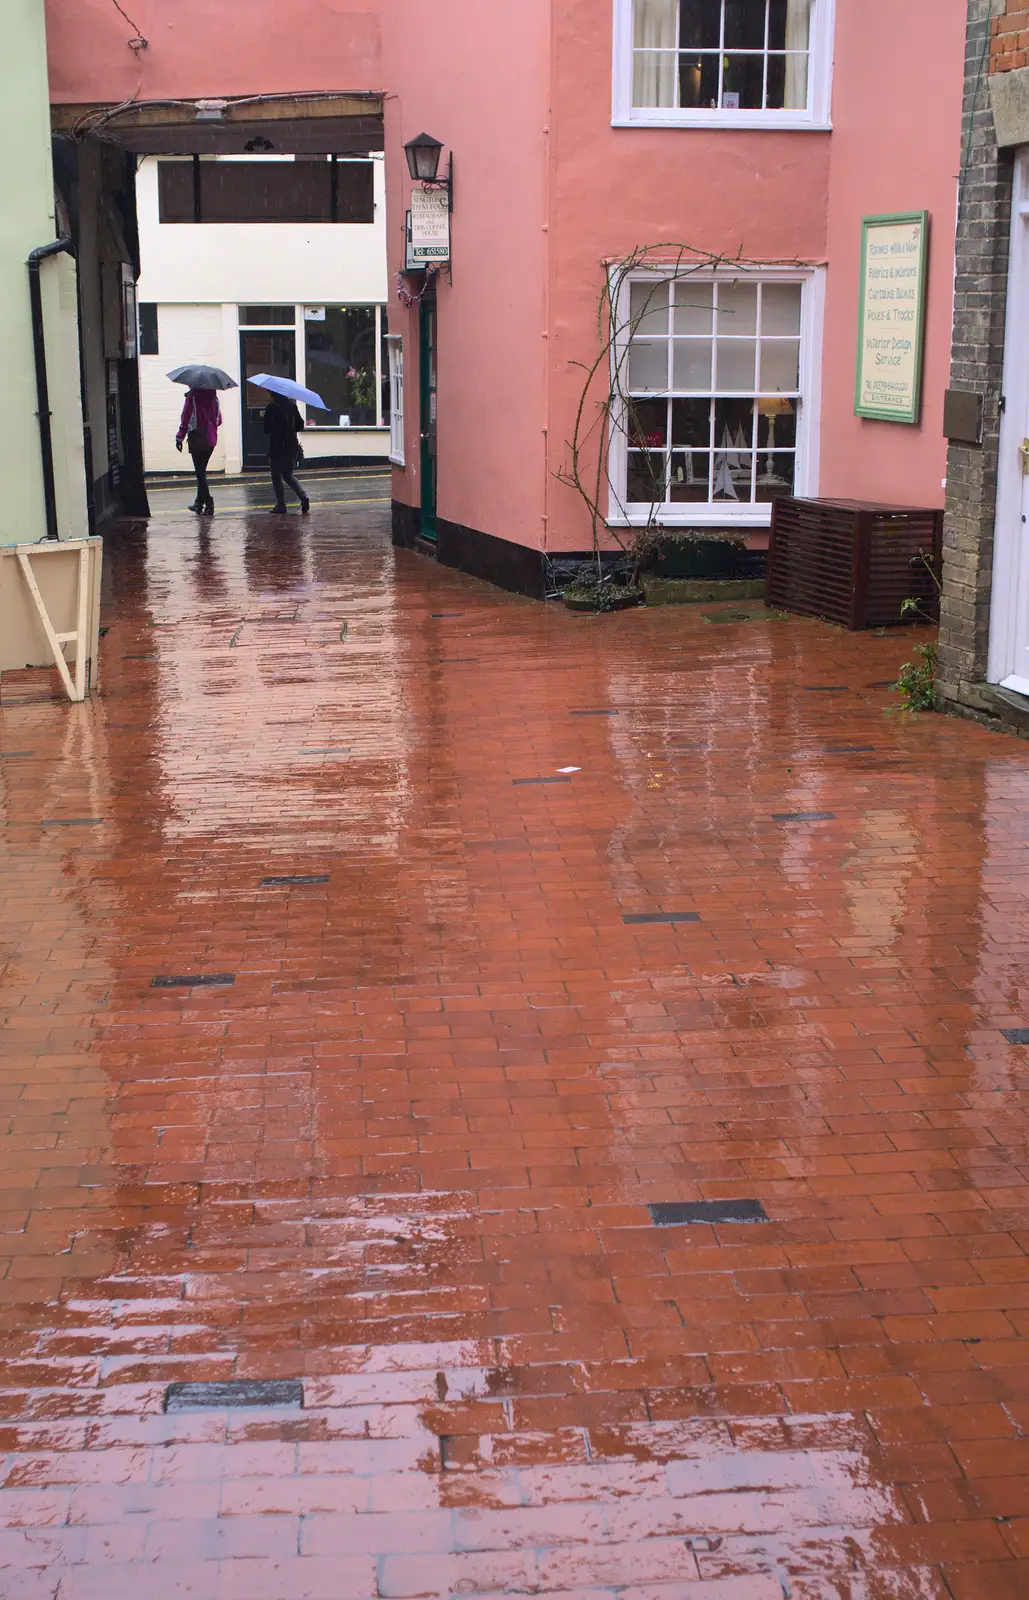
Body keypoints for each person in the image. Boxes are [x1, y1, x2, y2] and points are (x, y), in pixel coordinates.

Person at [175, 387, 222, 515]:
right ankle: (198, 503)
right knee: (201, 471)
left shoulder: (192, 398)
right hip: (211, 439)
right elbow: (219, 420)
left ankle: (209, 503)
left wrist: (179, 437)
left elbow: (185, 418)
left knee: (200, 473)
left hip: (197, 438)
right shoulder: (214, 398)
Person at [263, 393, 310, 514]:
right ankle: (303, 497)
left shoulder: (271, 407)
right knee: (288, 475)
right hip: (291, 446)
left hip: (277, 447)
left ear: (273, 394)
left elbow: (266, 428)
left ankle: (281, 505)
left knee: (276, 476)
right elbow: (300, 425)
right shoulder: (292, 406)